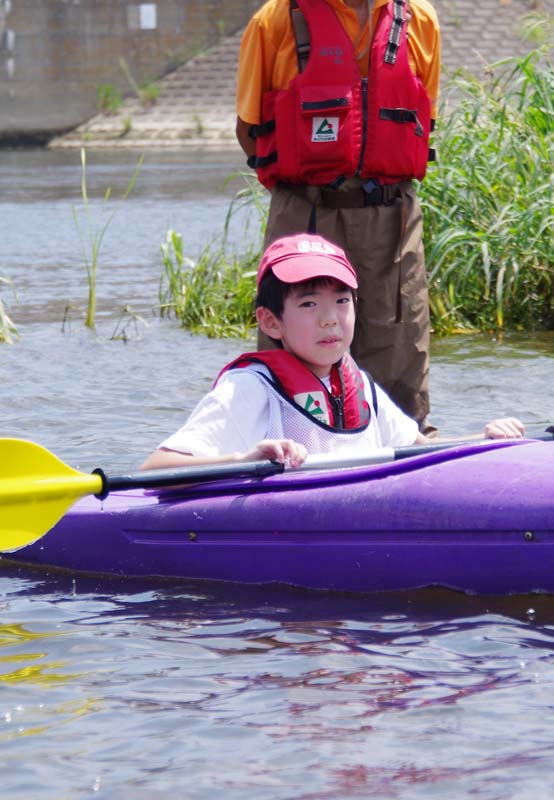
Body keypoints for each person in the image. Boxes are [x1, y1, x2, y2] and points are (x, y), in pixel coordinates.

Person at [141, 233, 522, 470]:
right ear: (271, 322)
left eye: (341, 301)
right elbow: (157, 469)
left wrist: (483, 440)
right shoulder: (249, 388)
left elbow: (423, 451)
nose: (330, 320)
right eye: (308, 304)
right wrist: (243, 460)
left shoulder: (361, 387)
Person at [234, 0, 440, 433]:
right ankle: (286, 445)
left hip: (392, 215)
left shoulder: (419, 18)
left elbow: (425, 115)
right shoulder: (273, 21)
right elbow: (250, 129)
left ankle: (406, 449)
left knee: (401, 346)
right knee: (295, 343)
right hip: (306, 212)